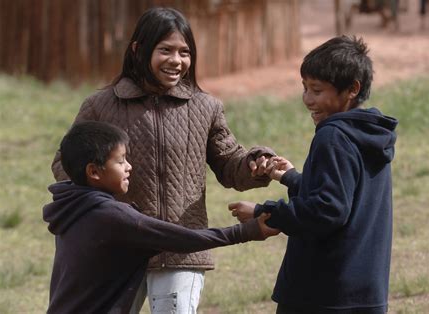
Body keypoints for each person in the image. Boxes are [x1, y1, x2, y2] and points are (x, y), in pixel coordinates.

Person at [50, 7, 275, 313]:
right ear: (138, 50)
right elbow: (66, 164)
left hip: (180, 248)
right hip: (116, 249)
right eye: (165, 50)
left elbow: (229, 164)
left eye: (185, 52)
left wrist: (254, 164)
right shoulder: (100, 105)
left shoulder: (205, 107)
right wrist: (105, 209)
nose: (176, 61)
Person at [229, 35, 398, 313]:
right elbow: (343, 195)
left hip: (322, 294)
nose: (307, 99)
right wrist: (292, 178)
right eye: (305, 88)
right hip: (364, 292)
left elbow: (327, 211)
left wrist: (264, 211)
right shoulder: (369, 134)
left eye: (317, 90)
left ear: (352, 89)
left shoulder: (332, 136)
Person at [44, 121, 278, 314]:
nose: (129, 167)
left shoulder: (71, 206)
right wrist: (246, 231)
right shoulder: (110, 216)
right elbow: (180, 239)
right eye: (120, 160)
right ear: (94, 172)